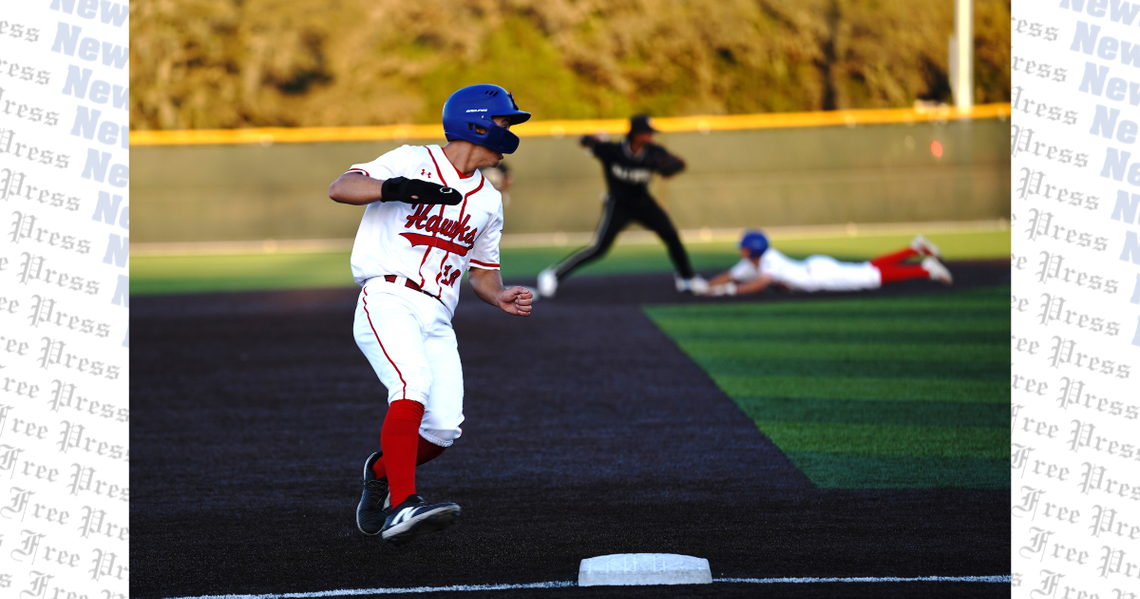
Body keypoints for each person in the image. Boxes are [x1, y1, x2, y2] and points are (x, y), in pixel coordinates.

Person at [328, 84, 533, 546]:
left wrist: (499, 296)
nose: (509, 131)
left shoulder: (487, 200)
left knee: (442, 429)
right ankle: (403, 505)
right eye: (503, 122)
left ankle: (380, 472)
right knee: (411, 384)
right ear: (477, 124)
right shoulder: (411, 160)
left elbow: (483, 274)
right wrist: (393, 188)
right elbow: (340, 187)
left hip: (439, 314)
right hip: (388, 296)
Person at [536, 115, 706, 297]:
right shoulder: (612, 150)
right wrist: (595, 138)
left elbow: (679, 165)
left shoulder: (654, 152)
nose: (650, 137)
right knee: (598, 249)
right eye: (647, 133)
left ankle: (687, 278)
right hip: (619, 205)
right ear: (635, 134)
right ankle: (553, 274)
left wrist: (671, 168)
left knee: (671, 235)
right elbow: (582, 140)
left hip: (644, 203)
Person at [703, 230, 952, 296]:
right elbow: (729, 274)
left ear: (752, 249)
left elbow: (758, 284)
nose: (741, 250)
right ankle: (915, 248)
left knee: (870, 277)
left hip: (820, 275)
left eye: (743, 247)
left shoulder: (768, 260)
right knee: (867, 269)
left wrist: (730, 290)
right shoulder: (753, 261)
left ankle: (924, 269)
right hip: (816, 269)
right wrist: (707, 287)